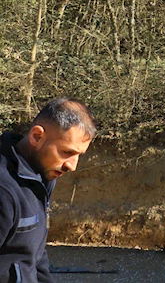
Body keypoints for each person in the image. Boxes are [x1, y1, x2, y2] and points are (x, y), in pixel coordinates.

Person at [0, 98, 96, 283]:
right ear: (37, 136)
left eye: (78, 155)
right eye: (67, 152)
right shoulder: (4, 190)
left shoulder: (40, 175)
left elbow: (35, 252)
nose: (73, 166)